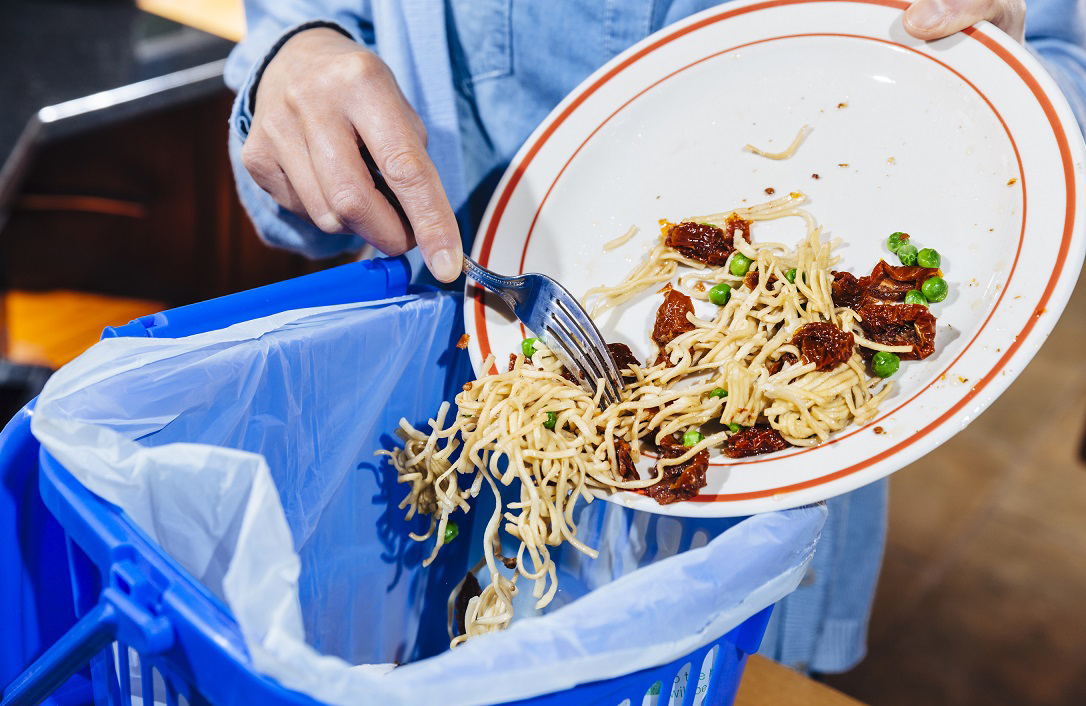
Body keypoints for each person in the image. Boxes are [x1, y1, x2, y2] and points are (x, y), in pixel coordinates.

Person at [224, 0, 1086, 676]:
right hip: (465, 448)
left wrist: (997, 73)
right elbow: (286, 95)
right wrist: (295, 58)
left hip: (772, 525)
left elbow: (1063, 67)